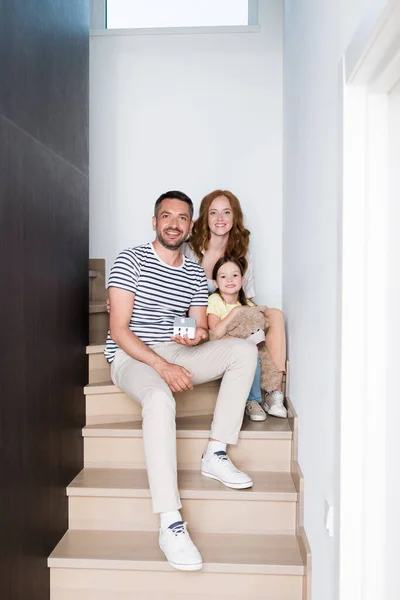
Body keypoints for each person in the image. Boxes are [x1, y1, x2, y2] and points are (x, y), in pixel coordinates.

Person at [105, 191, 258, 572]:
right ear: (155, 222)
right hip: (132, 354)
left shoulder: (192, 270)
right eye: (166, 216)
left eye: (182, 217)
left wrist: (196, 336)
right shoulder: (130, 260)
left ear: (191, 226)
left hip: (174, 350)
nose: (174, 223)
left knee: (244, 351)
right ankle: (170, 522)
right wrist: (161, 365)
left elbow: (199, 324)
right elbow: (119, 330)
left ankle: (216, 452)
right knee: (159, 399)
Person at [183, 189, 287, 418]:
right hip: (203, 318)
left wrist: (250, 319)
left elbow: (246, 294)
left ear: (234, 217)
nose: (220, 219)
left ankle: (273, 391)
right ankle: (250, 397)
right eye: (213, 213)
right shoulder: (190, 248)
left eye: (226, 212)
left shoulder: (242, 248)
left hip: (232, 311)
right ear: (205, 217)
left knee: (276, 315)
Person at [207, 256, 268, 422]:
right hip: (221, 350)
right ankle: (251, 400)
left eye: (234, 275)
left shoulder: (248, 304)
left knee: (255, 353)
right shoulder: (214, 300)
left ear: (243, 280)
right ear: (215, 283)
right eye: (223, 276)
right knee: (246, 353)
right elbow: (216, 332)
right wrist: (234, 313)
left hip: (246, 348)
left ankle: (255, 400)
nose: (229, 280)